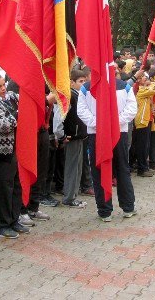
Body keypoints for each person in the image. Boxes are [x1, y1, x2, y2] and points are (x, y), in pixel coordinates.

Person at [77, 65, 138, 222]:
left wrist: (111, 124)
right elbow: (81, 110)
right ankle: (106, 209)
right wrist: (101, 124)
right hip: (98, 133)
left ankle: (126, 207)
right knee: (100, 170)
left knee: (121, 168)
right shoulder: (86, 88)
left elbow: (132, 108)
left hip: (117, 133)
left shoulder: (124, 87)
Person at [0, 73, 26, 239]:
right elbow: (3, 125)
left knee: (16, 186)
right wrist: (18, 114)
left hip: (17, 148)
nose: (3, 89)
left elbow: (26, 100)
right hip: (2, 152)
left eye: (4, 85)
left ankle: (14, 219)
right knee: (4, 188)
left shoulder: (10, 97)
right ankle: (2, 224)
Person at [61, 69, 89, 208]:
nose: (83, 84)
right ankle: (69, 197)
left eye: (84, 81)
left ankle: (73, 195)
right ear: (72, 82)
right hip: (72, 136)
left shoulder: (79, 95)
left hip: (79, 136)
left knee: (78, 167)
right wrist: (63, 135)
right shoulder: (71, 96)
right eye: (80, 81)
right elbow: (62, 116)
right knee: (72, 167)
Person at [133, 70, 155, 177]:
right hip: (141, 121)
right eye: (143, 77)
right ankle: (141, 169)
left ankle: (144, 166)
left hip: (147, 121)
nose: (146, 79)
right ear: (139, 80)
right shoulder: (140, 90)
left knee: (146, 146)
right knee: (142, 147)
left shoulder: (144, 89)